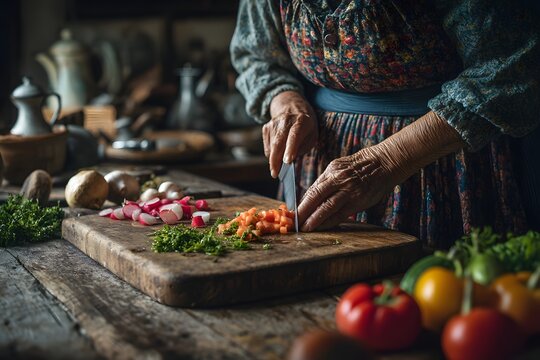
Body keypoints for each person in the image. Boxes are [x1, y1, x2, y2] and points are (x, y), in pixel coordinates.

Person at [230, 0, 540, 248]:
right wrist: (284, 100)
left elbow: (512, 68)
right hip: (319, 161)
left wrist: (388, 159)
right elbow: (256, 53)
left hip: (442, 160)